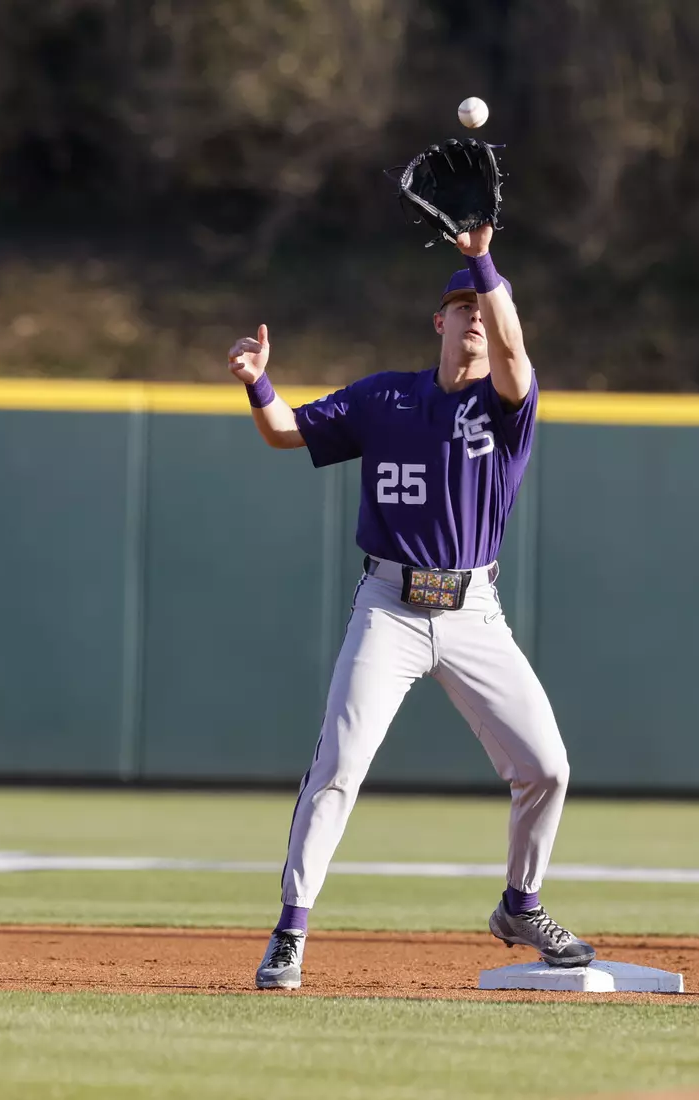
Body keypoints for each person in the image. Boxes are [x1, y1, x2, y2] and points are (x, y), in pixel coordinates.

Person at [226, 221, 593, 991]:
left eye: (486, 310)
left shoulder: (508, 406)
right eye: (462, 308)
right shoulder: (385, 396)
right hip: (389, 606)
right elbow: (285, 433)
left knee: (547, 768)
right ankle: (290, 931)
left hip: (473, 611)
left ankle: (520, 905)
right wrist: (259, 383)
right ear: (440, 321)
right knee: (338, 766)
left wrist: (480, 261)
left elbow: (518, 353)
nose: (475, 318)